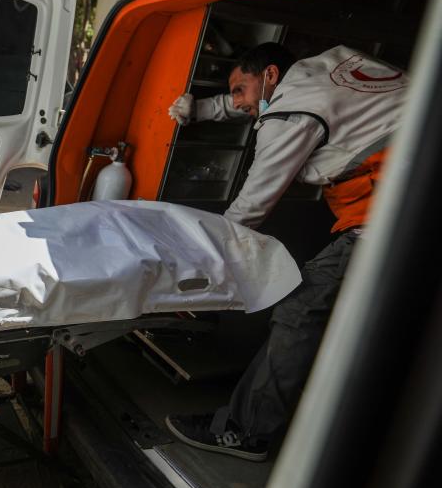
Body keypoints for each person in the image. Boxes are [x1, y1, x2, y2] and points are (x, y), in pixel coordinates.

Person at [164, 43, 408, 461]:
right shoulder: (325, 66)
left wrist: (192, 268)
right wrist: (201, 110)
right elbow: (250, 103)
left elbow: (250, 208)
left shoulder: (290, 114)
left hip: (397, 211)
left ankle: (245, 431)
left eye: (241, 89)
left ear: (272, 75)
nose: (238, 102)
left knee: (301, 311)